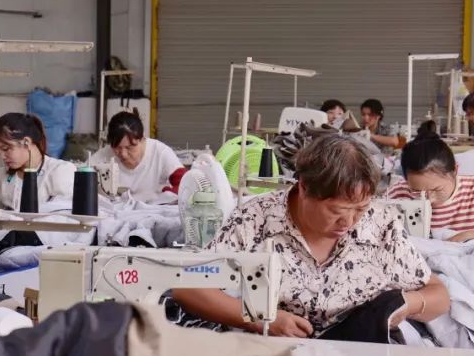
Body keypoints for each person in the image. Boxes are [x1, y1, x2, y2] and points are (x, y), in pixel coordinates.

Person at [172, 134, 448, 338]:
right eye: (337, 210)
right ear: (304, 188)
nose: (349, 221)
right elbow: (189, 286)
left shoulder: (381, 224)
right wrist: (260, 320)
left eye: (360, 209)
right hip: (274, 354)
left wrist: (408, 305)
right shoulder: (256, 218)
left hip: (359, 353)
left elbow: (438, 295)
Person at [388, 123, 474, 242]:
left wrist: (466, 236)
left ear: (455, 170)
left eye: (436, 189)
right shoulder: (399, 193)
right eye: (416, 191)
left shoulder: (471, 193)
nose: (429, 199)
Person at [88, 111, 181, 202]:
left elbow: (185, 185)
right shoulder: (105, 155)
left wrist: (164, 197)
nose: (123, 154)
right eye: (117, 148)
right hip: (117, 209)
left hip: (154, 209)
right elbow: (80, 177)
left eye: (129, 147)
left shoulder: (160, 153)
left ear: (142, 139)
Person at [0, 113, 75, 210]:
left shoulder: (60, 171)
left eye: (6, 149)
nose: (2, 156)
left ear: (26, 142)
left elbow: (64, 213)